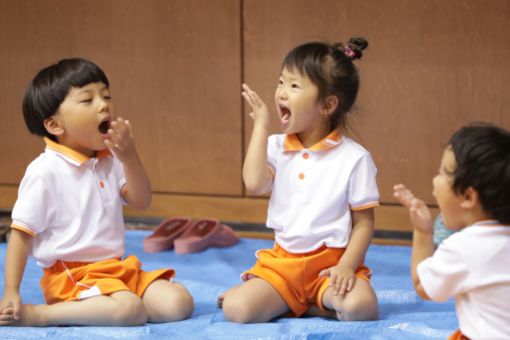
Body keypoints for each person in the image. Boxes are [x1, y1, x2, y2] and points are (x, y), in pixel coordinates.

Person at [0, 58, 194, 326]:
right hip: (72, 275)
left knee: (179, 303)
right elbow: (20, 235)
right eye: (87, 100)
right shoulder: (45, 171)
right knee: (129, 310)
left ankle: (106, 309)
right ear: (55, 125)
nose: (104, 104)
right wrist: (11, 291)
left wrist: (129, 157)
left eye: (106, 95)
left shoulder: (110, 159)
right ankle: (41, 314)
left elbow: (142, 200)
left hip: (117, 267)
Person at [219, 37, 380, 323]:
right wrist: (260, 127)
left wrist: (346, 267)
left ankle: (302, 303)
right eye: (281, 82)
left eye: (294, 86)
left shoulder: (355, 158)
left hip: (330, 267)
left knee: (361, 307)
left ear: (328, 105)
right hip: (283, 266)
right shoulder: (276, 146)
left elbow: (364, 224)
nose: (281, 92)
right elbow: (254, 184)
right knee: (236, 309)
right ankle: (305, 304)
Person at [393, 123, 510, 339]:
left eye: (442, 173)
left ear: (467, 197)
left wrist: (422, 231)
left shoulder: (464, 247)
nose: (435, 181)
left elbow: (422, 286)